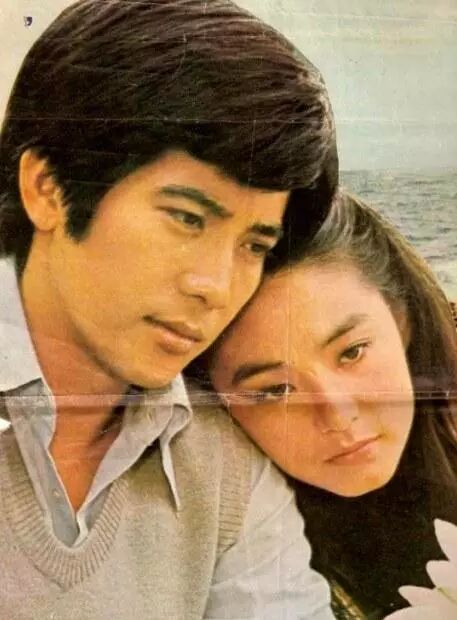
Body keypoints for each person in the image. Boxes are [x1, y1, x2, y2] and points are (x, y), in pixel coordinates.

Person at [0, 0, 339, 618]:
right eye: (186, 218)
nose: (216, 287)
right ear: (46, 188)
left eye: (254, 246)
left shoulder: (226, 463)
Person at [207, 192, 457, 619]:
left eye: (352, 352)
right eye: (276, 391)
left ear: (401, 321)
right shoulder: (247, 565)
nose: (338, 415)